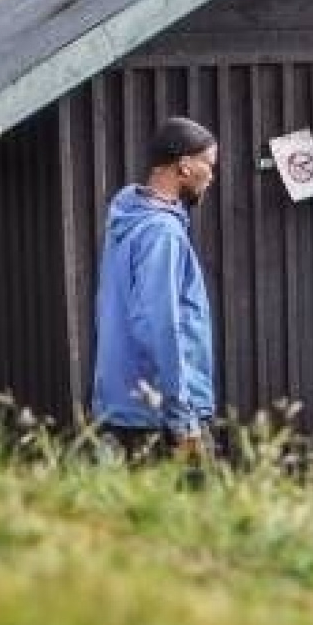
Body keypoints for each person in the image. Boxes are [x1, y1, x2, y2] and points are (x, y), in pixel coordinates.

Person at [90, 117, 219, 459]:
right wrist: (181, 419)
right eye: (209, 164)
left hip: (118, 407)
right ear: (184, 166)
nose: (212, 176)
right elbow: (159, 325)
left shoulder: (127, 215)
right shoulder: (161, 232)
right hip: (158, 417)